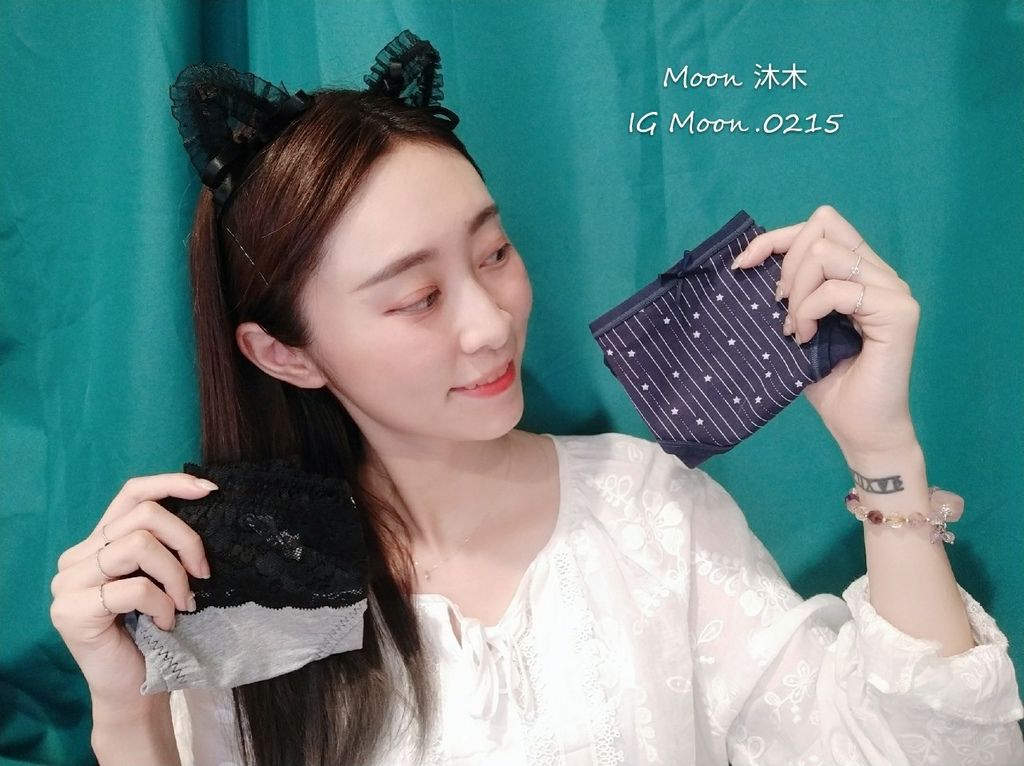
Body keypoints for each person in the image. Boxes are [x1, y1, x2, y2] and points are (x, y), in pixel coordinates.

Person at [49, 34, 1024, 766]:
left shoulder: (645, 511)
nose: (490, 321)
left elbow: (910, 751)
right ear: (284, 352)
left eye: (494, 252)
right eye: (417, 297)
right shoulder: (247, 583)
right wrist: (126, 708)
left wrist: (882, 447)